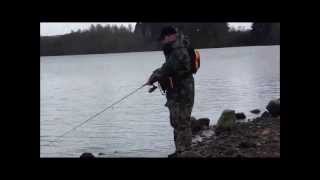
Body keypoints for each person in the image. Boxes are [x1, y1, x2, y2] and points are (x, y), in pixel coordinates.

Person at [145, 26, 195, 157]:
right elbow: (168, 66)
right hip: (179, 88)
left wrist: (153, 77)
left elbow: (168, 68)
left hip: (182, 90)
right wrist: (155, 75)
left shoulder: (179, 49)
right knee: (178, 121)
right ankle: (181, 150)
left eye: (163, 39)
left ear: (169, 36)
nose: (162, 41)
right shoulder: (178, 45)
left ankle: (185, 151)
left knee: (181, 121)